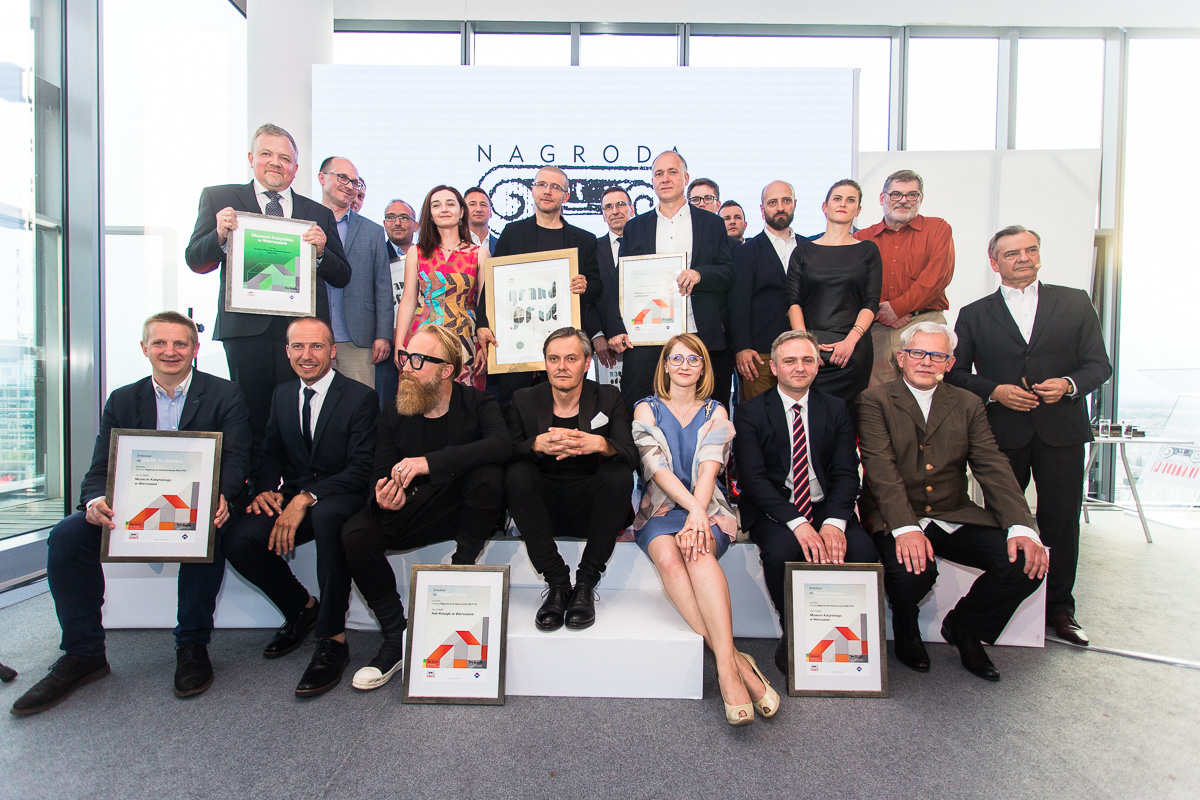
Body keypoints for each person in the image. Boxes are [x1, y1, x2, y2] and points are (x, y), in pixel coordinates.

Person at [11, 312, 251, 715]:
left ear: (194, 349)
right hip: (133, 506)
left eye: (180, 344)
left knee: (207, 528)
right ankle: (83, 653)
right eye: (160, 343)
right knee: (67, 535)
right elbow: (100, 468)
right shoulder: (122, 399)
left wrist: (222, 495)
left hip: (198, 502)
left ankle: (192, 644)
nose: (170, 351)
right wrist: (94, 503)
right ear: (145, 348)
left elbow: (237, 457)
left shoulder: (225, 394)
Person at [947, 226, 1112, 646]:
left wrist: (1070, 384)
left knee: (1061, 521)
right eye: (1012, 253)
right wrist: (995, 391)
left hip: (1062, 430)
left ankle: (1059, 609)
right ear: (994, 262)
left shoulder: (1075, 302)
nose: (1023, 258)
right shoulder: (974, 313)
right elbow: (957, 373)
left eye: (1030, 250)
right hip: (1003, 432)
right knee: (1003, 520)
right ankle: (1005, 604)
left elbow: (1099, 365)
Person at [856, 322, 1049, 682]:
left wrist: (1021, 526)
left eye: (937, 355)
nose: (926, 361)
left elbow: (991, 464)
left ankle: (964, 627)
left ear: (949, 363)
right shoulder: (874, 400)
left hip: (953, 511)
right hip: (894, 512)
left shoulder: (968, 403)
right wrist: (906, 527)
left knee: (1024, 564)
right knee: (911, 571)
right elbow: (880, 469)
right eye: (917, 352)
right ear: (901, 358)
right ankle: (906, 625)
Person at [340, 324, 510, 690]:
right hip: (415, 506)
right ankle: (396, 636)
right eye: (405, 357)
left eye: (418, 360)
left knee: (488, 474)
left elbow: (501, 445)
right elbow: (378, 472)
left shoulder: (478, 402)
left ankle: (460, 572)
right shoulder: (395, 410)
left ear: (446, 370)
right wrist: (382, 496)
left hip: (466, 508)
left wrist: (428, 462)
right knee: (356, 535)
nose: (406, 367)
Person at [221, 317, 378, 697]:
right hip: (294, 495)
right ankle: (302, 608)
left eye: (316, 346)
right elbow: (270, 453)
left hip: (342, 495)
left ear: (332, 351)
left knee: (327, 519)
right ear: (287, 351)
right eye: (298, 347)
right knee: (239, 539)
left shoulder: (360, 397)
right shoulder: (282, 394)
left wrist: (307, 498)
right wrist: (264, 490)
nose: (307, 355)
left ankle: (333, 638)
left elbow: (361, 469)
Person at [632, 333, 778, 726]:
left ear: (703, 368)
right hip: (661, 509)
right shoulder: (646, 408)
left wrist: (699, 513)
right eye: (676, 359)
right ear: (665, 365)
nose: (684, 366)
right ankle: (735, 666)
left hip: (709, 506)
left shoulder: (717, 410)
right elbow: (656, 468)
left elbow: (709, 469)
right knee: (669, 559)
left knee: (697, 552)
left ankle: (728, 671)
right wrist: (691, 511)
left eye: (693, 359)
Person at [184, 123, 351, 461]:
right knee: (250, 418)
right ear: (251, 158)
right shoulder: (220, 199)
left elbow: (342, 275)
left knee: (302, 417)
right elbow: (195, 260)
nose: (276, 163)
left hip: (301, 334)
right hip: (246, 331)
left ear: (295, 168)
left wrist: (321, 251)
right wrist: (219, 235)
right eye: (266, 154)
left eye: (284, 158)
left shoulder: (317, 213)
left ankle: (300, 482)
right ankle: (255, 484)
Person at [733, 331, 877, 675]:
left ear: (816, 366)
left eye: (807, 360)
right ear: (774, 367)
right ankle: (796, 633)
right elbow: (753, 480)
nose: (799, 367)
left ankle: (846, 639)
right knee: (782, 553)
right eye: (790, 361)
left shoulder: (836, 408)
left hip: (825, 504)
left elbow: (847, 473)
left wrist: (834, 524)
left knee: (863, 551)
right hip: (775, 507)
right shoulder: (750, 411)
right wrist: (799, 524)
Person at [505, 328, 637, 632]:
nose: (561, 366)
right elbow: (505, 451)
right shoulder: (524, 399)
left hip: (593, 509)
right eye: (554, 359)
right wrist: (535, 444)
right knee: (517, 474)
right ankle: (558, 583)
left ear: (587, 362)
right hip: (543, 510)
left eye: (571, 358)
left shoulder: (607, 396)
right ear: (545, 363)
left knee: (617, 474)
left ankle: (585, 584)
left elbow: (631, 455)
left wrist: (601, 444)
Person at [610, 151, 735, 415]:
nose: (665, 179)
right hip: (646, 335)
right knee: (636, 407)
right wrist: (616, 328)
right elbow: (619, 282)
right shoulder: (635, 227)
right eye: (659, 174)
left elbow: (728, 273)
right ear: (652, 182)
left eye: (672, 172)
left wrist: (700, 275)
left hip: (698, 334)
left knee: (706, 413)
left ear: (685, 178)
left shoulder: (712, 224)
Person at [475, 166, 601, 410]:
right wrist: (482, 323)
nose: (547, 191)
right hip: (516, 341)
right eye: (542, 185)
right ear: (532, 191)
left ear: (566, 196)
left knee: (563, 408)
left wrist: (585, 286)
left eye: (555, 187)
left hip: (563, 347)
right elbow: (493, 282)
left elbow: (597, 287)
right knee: (514, 409)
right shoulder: (512, 233)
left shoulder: (584, 240)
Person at [786, 179, 882, 408]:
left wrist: (851, 341)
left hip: (853, 349)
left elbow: (871, 302)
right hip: (811, 349)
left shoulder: (868, 250)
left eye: (851, 200)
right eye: (837, 198)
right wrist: (806, 343)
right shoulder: (803, 250)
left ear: (858, 210)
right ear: (824, 206)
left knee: (848, 417)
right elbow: (793, 301)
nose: (843, 204)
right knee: (808, 414)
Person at [854, 169, 955, 386]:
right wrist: (883, 308)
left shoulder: (938, 229)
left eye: (912, 195)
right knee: (879, 396)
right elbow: (855, 283)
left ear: (921, 199)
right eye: (896, 194)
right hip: (877, 327)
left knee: (928, 393)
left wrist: (898, 308)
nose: (903, 200)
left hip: (925, 323)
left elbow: (937, 277)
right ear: (882, 198)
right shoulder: (861, 238)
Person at [394, 185, 486, 390]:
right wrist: (399, 343)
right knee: (419, 396)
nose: (444, 209)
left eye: (450, 204)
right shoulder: (416, 252)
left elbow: (484, 306)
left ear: (461, 212)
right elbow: (408, 299)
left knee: (463, 400)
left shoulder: (479, 253)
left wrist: (484, 347)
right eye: (436, 205)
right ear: (430, 214)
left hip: (465, 338)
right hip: (422, 336)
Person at [317, 157, 392, 389]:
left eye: (355, 182)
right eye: (343, 178)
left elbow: (383, 287)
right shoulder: (303, 222)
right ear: (322, 178)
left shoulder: (373, 231)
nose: (350, 186)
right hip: (313, 336)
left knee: (360, 403)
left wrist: (383, 335)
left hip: (357, 338)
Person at [729, 180, 798, 401]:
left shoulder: (810, 248)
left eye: (786, 201)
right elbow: (738, 304)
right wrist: (742, 348)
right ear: (762, 209)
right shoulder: (746, 252)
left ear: (794, 204)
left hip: (802, 352)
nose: (780, 207)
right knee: (759, 415)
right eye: (772, 202)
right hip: (760, 355)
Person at [377, 199, 418, 404]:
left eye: (404, 217)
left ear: (415, 225)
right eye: (391, 218)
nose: (397, 223)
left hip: (422, 339)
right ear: (384, 224)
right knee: (388, 404)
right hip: (387, 343)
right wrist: (385, 332)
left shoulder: (428, 255)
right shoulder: (376, 254)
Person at [589, 185, 632, 371]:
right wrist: (597, 334)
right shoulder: (591, 249)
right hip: (606, 347)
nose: (615, 211)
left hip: (646, 339)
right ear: (603, 215)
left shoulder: (648, 247)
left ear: (632, 209)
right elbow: (587, 298)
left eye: (621, 204)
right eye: (608, 207)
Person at [464, 186, 500, 252]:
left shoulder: (501, 245)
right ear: (463, 211)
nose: (479, 209)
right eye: (472, 204)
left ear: (490, 212)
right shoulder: (454, 245)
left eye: (483, 205)